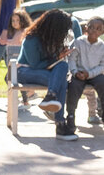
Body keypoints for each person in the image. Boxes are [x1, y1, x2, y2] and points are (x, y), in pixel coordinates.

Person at [15, 9, 76, 141]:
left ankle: (50, 96)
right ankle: (60, 124)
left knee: (63, 65)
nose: (63, 33)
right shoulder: (31, 39)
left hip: (44, 71)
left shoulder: (50, 39)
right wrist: (56, 57)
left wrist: (60, 56)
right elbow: (35, 64)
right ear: (53, 27)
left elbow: (52, 63)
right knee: (60, 81)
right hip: (24, 71)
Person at [66, 16, 104, 128]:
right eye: (91, 27)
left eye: (98, 28)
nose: (94, 30)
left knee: (103, 83)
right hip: (79, 73)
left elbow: (102, 65)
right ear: (86, 28)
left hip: (94, 74)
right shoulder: (78, 42)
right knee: (73, 85)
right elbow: (72, 59)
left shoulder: (102, 46)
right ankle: (71, 116)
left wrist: (90, 74)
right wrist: (75, 72)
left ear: (102, 31)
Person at [5, 10, 34, 107]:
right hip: (15, 61)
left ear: (23, 20)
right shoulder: (15, 31)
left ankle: (19, 99)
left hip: (21, 62)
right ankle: (25, 101)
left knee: (8, 78)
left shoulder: (23, 32)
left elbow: (15, 42)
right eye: (13, 20)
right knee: (17, 81)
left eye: (17, 20)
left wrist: (2, 40)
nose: (15, 23)